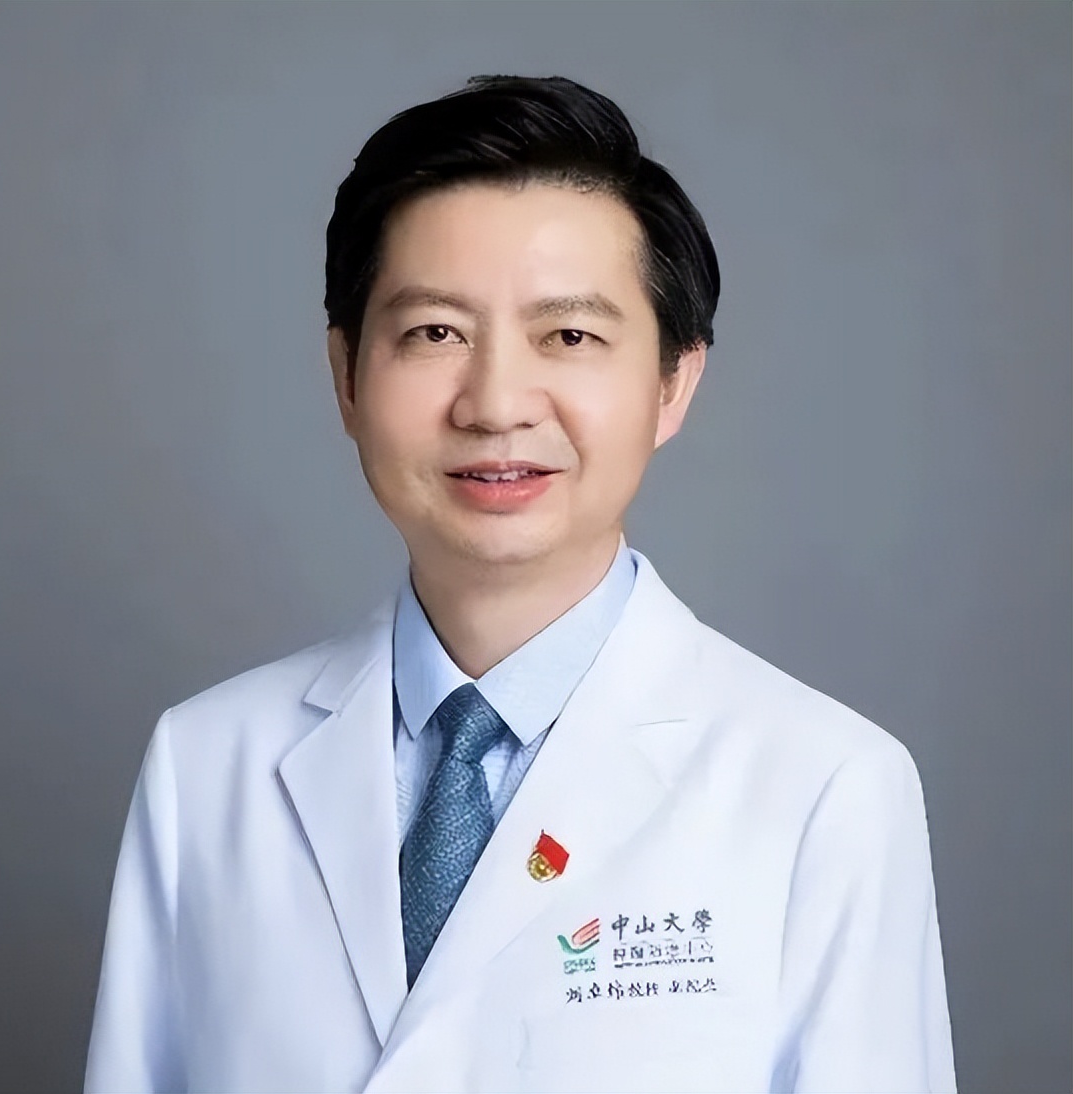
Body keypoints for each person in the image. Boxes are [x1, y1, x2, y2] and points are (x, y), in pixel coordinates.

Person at [85, 75, 955, 1093]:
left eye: (569, 336)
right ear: (346, 376)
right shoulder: (204, 767)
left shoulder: (825, 786)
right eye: (434, 333)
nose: (495, 403)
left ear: (672, 381)